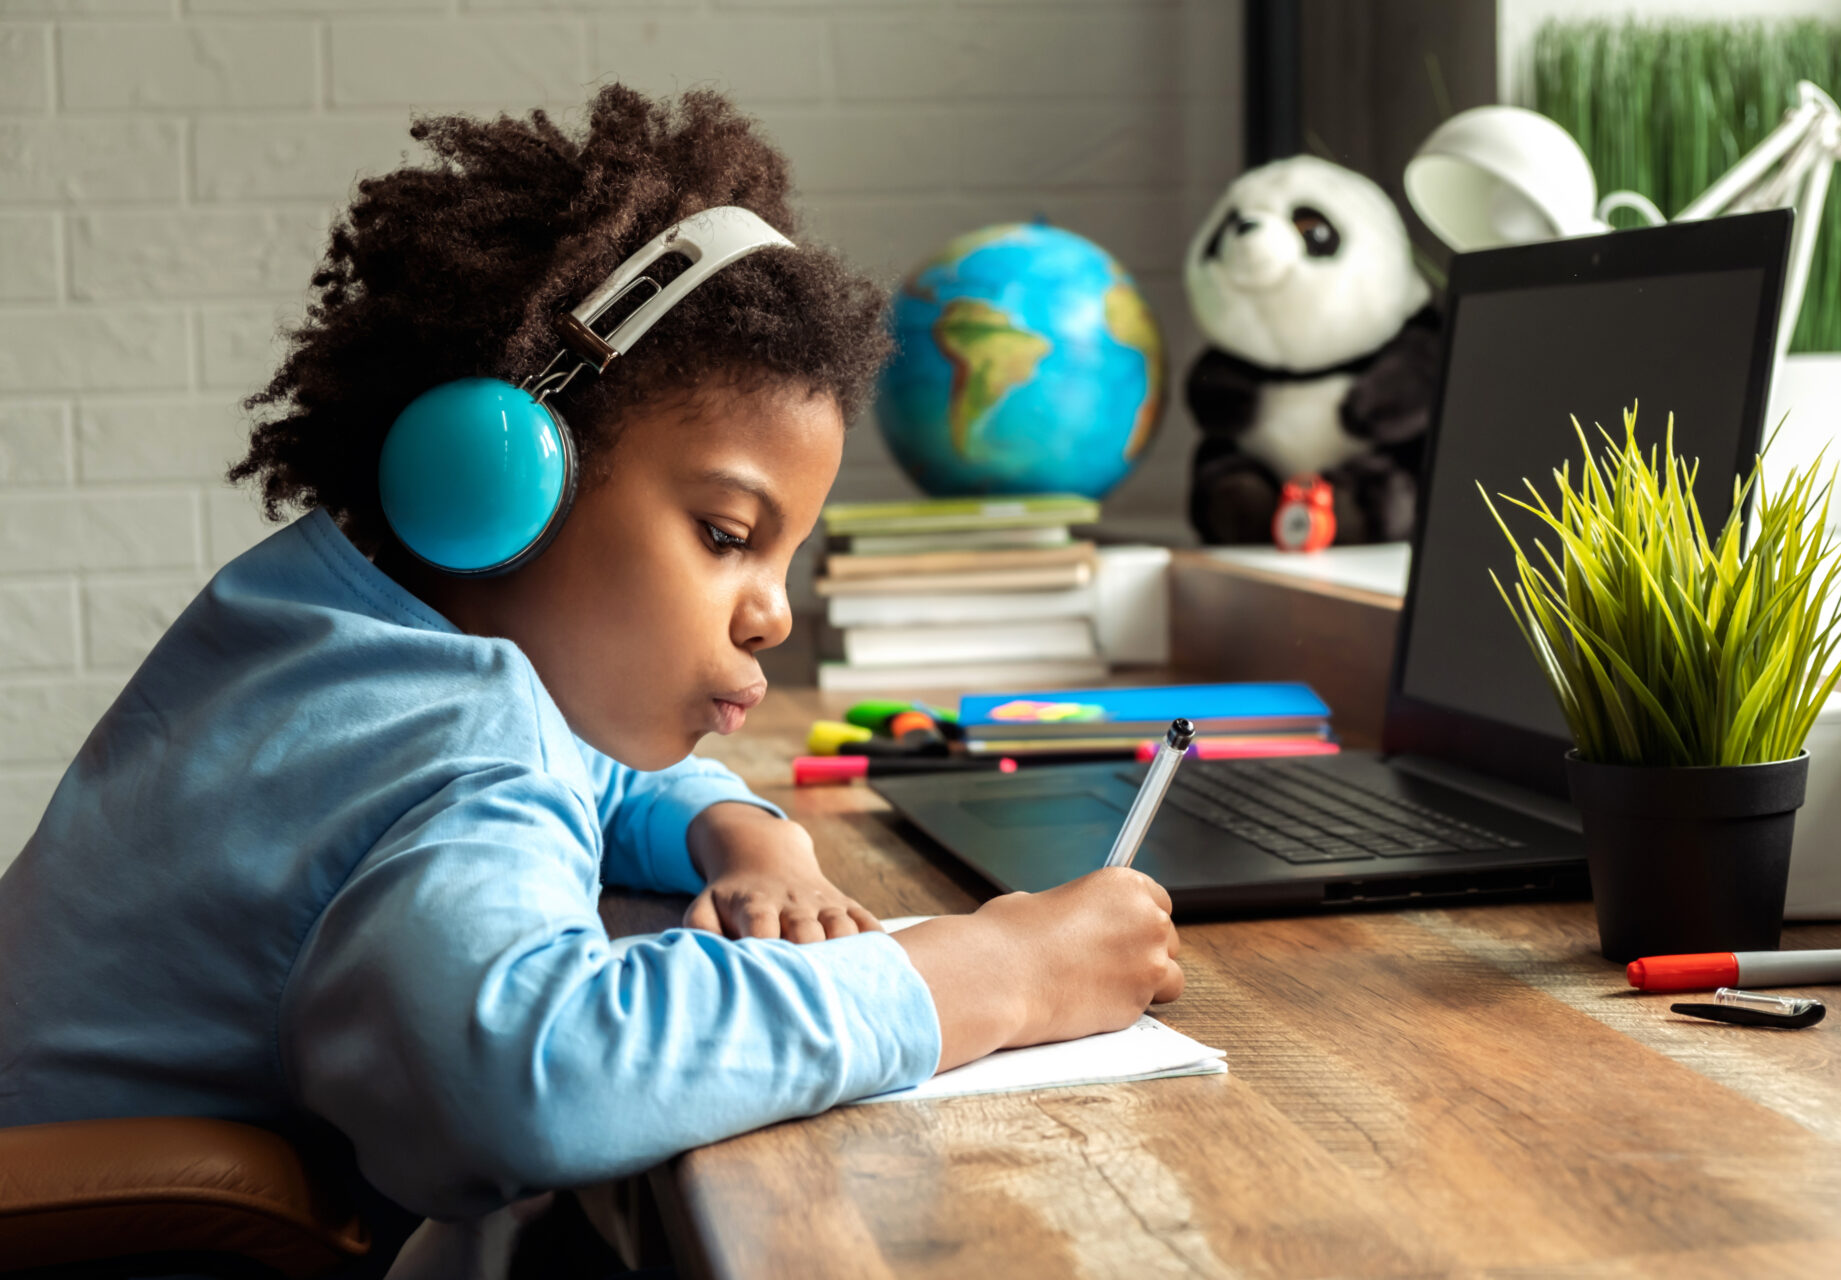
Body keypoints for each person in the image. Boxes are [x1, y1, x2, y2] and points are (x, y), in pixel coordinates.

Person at [0, 86, 1182, 1272]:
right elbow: (544, 1069)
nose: (773, 611)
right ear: (500, 481)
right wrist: (999, 972)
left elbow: (578, 778)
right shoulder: (459, 740)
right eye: (728, 534)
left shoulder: (317, 622)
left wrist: (741, 829)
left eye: (786, 556)